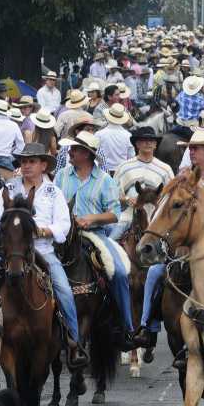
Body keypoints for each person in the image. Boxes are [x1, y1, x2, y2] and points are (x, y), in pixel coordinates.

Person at [134, 129, 204, 355]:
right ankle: (147, 326)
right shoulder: (181, 175)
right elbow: (166, 205)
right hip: (184, 242)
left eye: (196, 148)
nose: (191, 152)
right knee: (154, 272)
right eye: (190, 148)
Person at [0, 143, 89, 368]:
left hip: (42, 251)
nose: (26, 166)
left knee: (63, 291)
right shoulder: (8, 190)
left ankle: (74, 342)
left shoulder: (54, 192)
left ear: (43, 165)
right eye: (23, 161)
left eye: (32, 161)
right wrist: (5, 234)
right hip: (11, 252)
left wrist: (42, 231)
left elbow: (63, 225)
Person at [54, 131, 136, 350]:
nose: (69, 152)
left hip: (94, 235)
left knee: (118, 272)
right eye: (71, 149)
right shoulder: (61, 175)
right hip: (61, 234)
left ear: (87, 154)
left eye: (74, 149)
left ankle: (126, 328)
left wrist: (91, 218)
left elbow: (114, 214)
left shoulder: (105, 180)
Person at [108, 126, 174, 242]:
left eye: (151, 141)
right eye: (144, 140)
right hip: (128, 216)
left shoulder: (165, 169)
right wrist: (128, 199)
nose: (148, 143)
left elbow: (171, 196)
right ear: (137, 144)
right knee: (111, 242)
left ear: (155, 145)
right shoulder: (124, 167)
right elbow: (113, 194)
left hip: (156, 219)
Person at [95, 103, 135, 173]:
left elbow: (95, 156)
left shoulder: (99, 134)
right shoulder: (128, 135)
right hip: (121, 171)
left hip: (102, 171)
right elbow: (131, 156)